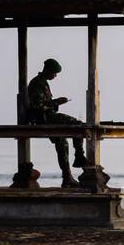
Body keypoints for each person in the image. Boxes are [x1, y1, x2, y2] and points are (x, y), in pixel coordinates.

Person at [25, 58, 85, 187]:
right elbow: (37, 106)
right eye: (54, 73)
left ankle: (67, 177)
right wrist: (56, 102)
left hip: (47, 116)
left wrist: (56, 103)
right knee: (78, 125)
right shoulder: (37, 83)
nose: (55, 76)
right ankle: (79, 156)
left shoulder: (43, 83)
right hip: (44, 118)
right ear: (48, 70)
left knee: (62, 143)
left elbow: (45, 104)